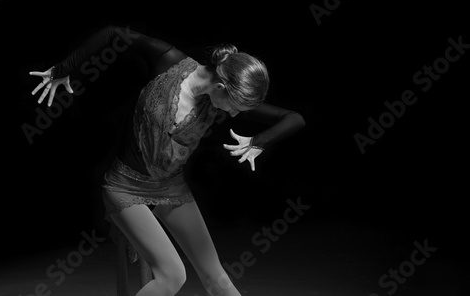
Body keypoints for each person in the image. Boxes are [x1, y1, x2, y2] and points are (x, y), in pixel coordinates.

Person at [29, 25, 305, 296]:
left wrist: (259, 142)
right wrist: (64, 69)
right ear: (221, 87)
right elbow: (114, 33)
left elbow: (294, 118)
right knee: (172, 276)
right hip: (124, 186)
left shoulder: (218, 97)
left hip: (171, 188)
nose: (233, 115)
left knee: (218, 280)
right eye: (236, 107)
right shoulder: (168, 59)